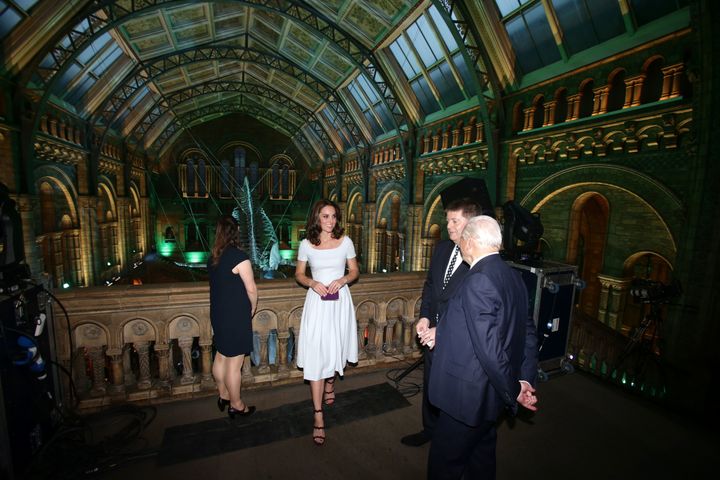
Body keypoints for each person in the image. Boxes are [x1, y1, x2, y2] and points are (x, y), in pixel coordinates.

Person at [426, 215, 539, 480]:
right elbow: (526, 334)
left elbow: (489, 348)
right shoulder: (514, 277)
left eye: (464, 239)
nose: (461, 244)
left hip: (466, 397)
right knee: (481, 459)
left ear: (472, 242)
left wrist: (514, 389)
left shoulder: (478, 279)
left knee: (444, 465)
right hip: (490, 397)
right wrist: (525, 379)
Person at [400, 198, 481, 447]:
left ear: (471, 223)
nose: (449, 226)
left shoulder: (479, 260)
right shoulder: (443, 248)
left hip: (458, 342)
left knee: (453, 392)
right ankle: (429, 429)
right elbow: (431, 286)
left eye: (455, 221)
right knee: (431, 384)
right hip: (431, 336)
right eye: (448, 221)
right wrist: (425, 315)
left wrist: (442, 330)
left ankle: (448, 438)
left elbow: (473, 312)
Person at [295, 199, 359, 446]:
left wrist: (342, 280)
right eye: (325, 216)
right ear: (316, 218)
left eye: (333, 216)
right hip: (317, 303)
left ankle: (330, 382)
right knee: (316, 353)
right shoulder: (306, 244)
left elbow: (354, 271)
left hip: (339, 302)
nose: (330, 221)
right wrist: (312, 283)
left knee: (335, 347)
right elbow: (299, 274)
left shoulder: (346, 242)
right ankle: (318, 415)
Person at [208, 215, 258, 419]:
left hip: (218, 313)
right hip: (235, 314)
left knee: (221, 355)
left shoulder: (212, 258)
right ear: (235, 232)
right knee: (234, 364)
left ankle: (223, 395)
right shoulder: (239, 257)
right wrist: (252, 309)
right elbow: (252, 290)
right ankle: (237, 405)